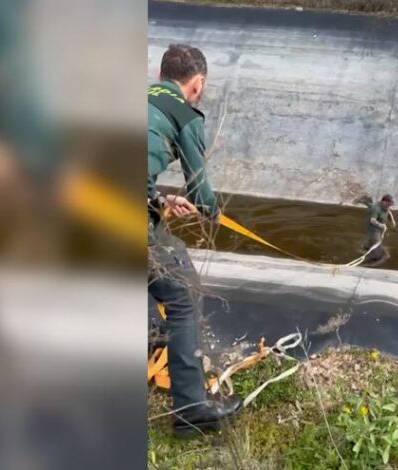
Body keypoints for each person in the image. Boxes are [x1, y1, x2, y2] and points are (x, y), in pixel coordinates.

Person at [147, 44, 241, 437]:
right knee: (182, 292)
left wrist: (160, 200)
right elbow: (202, 190)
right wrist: (212, 213)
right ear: (197, 84)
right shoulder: (184, 113)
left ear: (160, 75)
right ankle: (189, 410)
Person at [361, 194, 396, 264]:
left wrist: (392, 220)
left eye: (390, 205)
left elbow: (389, 211)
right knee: (380, 253)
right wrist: (381, 225)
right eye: (388, 204)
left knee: (371, 242)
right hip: (373, 228)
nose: (388, 206)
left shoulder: (386, 207)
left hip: (379, 228)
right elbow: (373, 220)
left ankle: (366, 246)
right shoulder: (376, 209)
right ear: (383, 202)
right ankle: (370, 261)